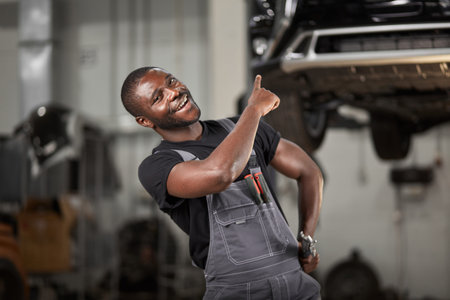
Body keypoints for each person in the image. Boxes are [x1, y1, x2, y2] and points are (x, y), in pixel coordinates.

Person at [121, 66, 323, 299]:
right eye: (158, 97)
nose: (173, 92)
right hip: (236, 291)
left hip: (297, 285)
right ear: (145, 120)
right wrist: (254, 110)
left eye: (171, 81)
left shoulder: (242, 128)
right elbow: (220, 174)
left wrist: (305, 239)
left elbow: (309, 171)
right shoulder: (157, 167)